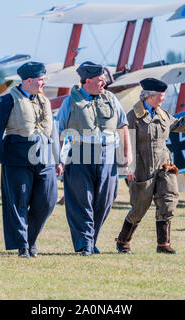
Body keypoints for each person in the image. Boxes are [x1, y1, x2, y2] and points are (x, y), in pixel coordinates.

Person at [115, 78, 185, 255]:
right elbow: (124, 142)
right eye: (161, 95)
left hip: (164, 165)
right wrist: (127, 168)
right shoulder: (133, 116)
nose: (163, 99)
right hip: (142, 167)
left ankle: (163, 244)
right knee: (139, 208)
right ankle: (123, 241)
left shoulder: (163, 114)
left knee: (168, 200)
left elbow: (181, 125)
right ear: (150, 96)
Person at [0, 61, 63, 258]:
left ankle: (30, 238)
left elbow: (52, 131)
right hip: (17, 158)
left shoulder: (44, 101)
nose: (43, 83)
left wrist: (58, 159)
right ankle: (23, 246)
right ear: (28, 81)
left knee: (48, 200)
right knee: (18, 202)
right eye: (40, 80)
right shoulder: (8, 99)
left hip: (44, 158)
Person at [56, 61, 131, 256]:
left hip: (107, 154)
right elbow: (60, 132)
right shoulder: (70, 102)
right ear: (87, 80)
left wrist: (127, 152)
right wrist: (59, 159)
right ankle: (85, 244)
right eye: (100, 80)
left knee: (105, 199)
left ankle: (90, 239)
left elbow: (122, 124)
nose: (103, 83)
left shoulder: (111, 99)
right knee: (82, 200)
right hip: (80, 153)